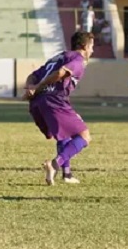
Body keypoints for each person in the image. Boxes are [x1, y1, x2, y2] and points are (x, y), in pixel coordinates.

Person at [23, 32, 95, 185]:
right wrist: (37, 87)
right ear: (84, 46)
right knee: (85, 136)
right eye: (91, 47)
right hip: (54, 100)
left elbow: (32, 75)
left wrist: (30, 87)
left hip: (38, 103)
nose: (92, 51)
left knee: (64, 135)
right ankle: (55, 164)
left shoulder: (59, 56)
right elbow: (61, 73)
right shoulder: (78, 59)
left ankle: (67, 174)